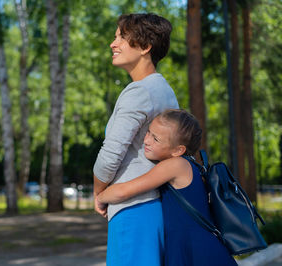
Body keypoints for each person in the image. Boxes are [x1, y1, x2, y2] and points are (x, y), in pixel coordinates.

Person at [97, 109, 238, 266]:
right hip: (190, 246)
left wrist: (100, 196)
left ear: (178, 150)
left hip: (197, 250)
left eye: (156, 139)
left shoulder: (175, 165)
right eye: (149, 132)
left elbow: (124, 191)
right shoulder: (189, 165)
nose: (146, 140)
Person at [93, 13, 179, 266]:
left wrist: (100, 192)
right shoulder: (163, 89)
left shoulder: (139, 92)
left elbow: (110, 155)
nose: (113, 43)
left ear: (145, 47)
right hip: (153, 207)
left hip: (134, 210)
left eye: (121, 37)